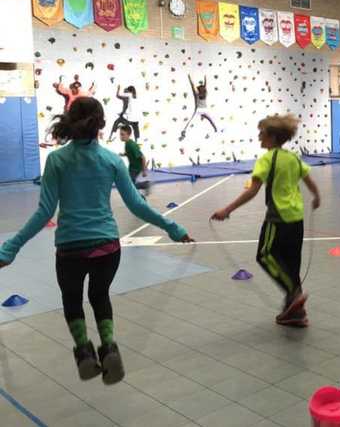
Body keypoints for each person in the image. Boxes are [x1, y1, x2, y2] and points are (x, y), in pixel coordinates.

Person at [0, 98, 193, 384]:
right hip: (107, 247)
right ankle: (109, 346)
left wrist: (10, 248)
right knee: (99, 296)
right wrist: (173, 228)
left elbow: (44, 213)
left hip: (71, 249)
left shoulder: (57, 159)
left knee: (72, 300)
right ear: (101, 124)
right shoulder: (112, 160)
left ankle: (83, 351)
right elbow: (137, 206)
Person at [211, 114, 321, 327]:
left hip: (277, 218)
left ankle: (294, 294)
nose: (259, 136)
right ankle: (296, 314)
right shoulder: (294, 158)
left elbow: (253, 190)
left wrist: (227, 209)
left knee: (264, 255)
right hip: (296, 218)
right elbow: (310, 181)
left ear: (272, 137)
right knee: (290, 265)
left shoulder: (266, 159)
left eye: (262, 133)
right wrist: (317, 197)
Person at [180, 74, 218, 141]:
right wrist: (206, 77)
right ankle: (216, 129)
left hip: (198, 110)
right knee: (212, 120)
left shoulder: (197, 93)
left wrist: (190, 78)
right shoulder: (205, 93)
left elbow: (193, 85)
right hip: (205, 110)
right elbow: (206, 85)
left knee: (191, 121)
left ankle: (184, 131)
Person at [119, 124, 150, 196]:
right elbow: (130, 153)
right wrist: (124, 154)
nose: (121, 136)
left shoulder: (132, 145)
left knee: (129, 186)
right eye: (120, 134)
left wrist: (144, 170)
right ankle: (144, 186)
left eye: (122, 134)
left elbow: (143, 157)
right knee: (129, 184)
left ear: (128, 134)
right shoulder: (127, 143)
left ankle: (145, 186)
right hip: (132, 167)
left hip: (136, 169)